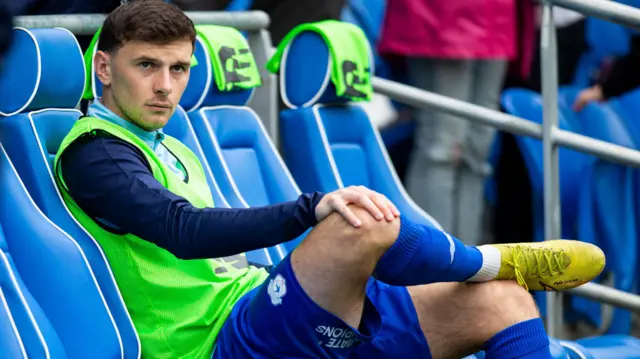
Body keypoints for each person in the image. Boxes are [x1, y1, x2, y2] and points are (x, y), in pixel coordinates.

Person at [54, 1, 605, 358]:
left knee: (503, 302)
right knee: (355, 222)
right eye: (146, 66)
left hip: (264, 310)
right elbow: (182, 230)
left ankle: (499, 270)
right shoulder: (96, 153)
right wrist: (309, 209)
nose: (165, 87)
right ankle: (489, 257)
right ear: (104, 68)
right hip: (217, 341)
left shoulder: (169, 143)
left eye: (179, 70)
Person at [377, 0, 535, 246]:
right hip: (442, 15)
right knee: (442, 147)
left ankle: (468, 263)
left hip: (498, 17)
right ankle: (430, 261)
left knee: (476, 151)